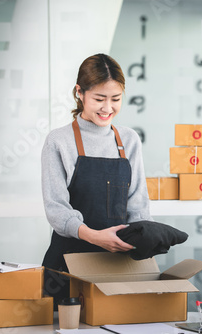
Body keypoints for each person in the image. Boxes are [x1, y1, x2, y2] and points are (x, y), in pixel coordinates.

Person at [41, 53, 151, 303]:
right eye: (99, 99)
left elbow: (138, 206)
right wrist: (95, 236)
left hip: (118, 264)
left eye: (116, 99)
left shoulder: (129, 140)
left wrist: (145, 241)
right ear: (80, 92)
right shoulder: (59, 141)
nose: (107, 108)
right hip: (67, 265)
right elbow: (56, 209)